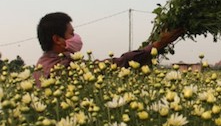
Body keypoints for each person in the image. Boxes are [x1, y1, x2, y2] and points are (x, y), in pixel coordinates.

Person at [33, 12, 183, 85]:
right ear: (57, 39)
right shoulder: (60, 68)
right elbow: (110, 66)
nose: (76, 37)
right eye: (71, 33)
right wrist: (157, 45)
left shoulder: (44, 63)